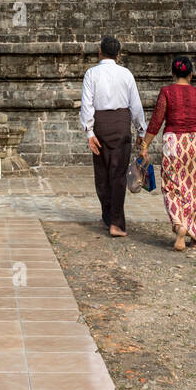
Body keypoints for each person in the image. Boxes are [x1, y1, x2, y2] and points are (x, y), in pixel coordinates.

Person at [139, 55, 196, 251]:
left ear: (172, 73)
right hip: (195, 142)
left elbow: (156, 121)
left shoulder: (166, 92)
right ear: (191, 74)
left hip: (174, 142)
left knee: (171, 186)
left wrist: (145, 145)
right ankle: (195, 233)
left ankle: (180, 226)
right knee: (194, 187)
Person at [80, 35, 148, 238]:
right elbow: (135, 105)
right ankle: (115, 222)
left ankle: (108, 216)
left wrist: (89, 132)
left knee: (102, 175)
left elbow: (87, 105)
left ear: (100, 51)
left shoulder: (91, 74)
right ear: (118, 55)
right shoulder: (126, 74)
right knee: (118, 175)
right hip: (120, 125)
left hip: (100, 125)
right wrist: (140, 130)